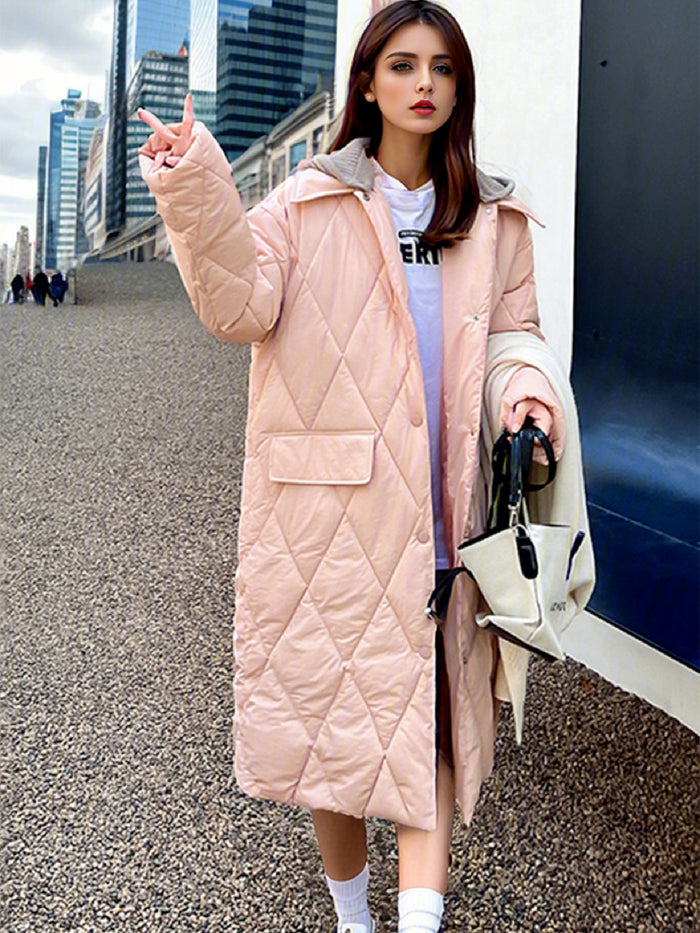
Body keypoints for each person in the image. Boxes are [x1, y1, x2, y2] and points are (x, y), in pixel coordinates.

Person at [138, 2, 591, 930]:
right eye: (403, 65)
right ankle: (353, 918)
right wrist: (195, 186)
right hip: (334, 522)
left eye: (443, 68)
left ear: (460, 88)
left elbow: (516, 340)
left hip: (450, 513)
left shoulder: (495, 218)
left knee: (433, 735)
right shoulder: (307, 201)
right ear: (369, 85)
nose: (424, 84)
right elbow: (237, 306)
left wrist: (527, 395)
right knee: (337, 747)